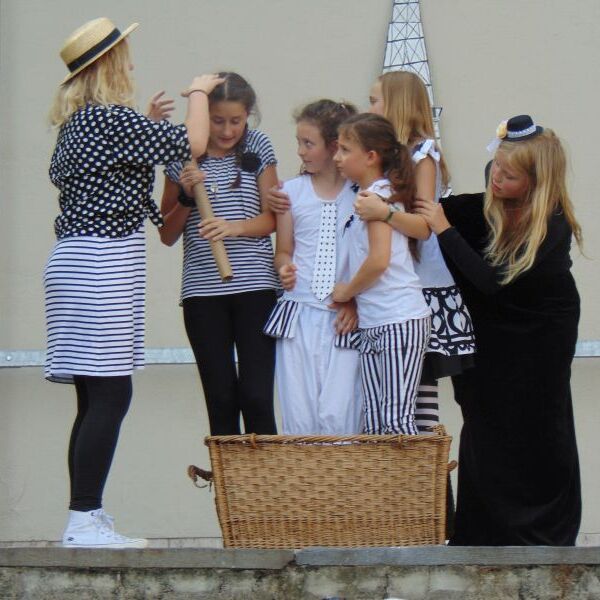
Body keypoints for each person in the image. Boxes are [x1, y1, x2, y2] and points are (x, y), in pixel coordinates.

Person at [45, 17, 223, 548]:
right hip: (100, 262)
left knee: (94, 395)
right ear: (109, 67)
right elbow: (194, 140)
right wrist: (199, 92)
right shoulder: (109, 120)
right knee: (110, 392)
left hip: (79, 260)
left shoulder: (80, 125)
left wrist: (146, 126)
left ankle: (86, 515)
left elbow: (123, 174)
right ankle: (83, 519)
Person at [414, 115, 583, 546]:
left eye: (509, 177)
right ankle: (481, 528)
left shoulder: (552, 223)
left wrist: (444, 229)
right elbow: (443, 209)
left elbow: (492, 281)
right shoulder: (493, 197)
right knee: (485, 419)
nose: (496, 179)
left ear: (535, 182)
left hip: (540, 331)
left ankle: (541, 529)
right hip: (491, 327)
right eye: (497, 168)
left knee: (535, 421)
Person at [160, 72, 279, 436]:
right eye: (217, 121)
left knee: (257, 397)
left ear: (248, 116)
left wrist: (233, 227)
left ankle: (266, 473)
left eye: (236, 121)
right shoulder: (181, 154)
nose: (228, 131)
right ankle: (229, 475)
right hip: (203, 293)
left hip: (256, 288)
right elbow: (167, 233)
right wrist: (185, 196)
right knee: (221, 399)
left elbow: (273, 219)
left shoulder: (258, 146)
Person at [357, 70, 476, 434]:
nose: (369, 107)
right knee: (389, 394)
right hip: (391, 288)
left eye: (374, 100)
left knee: (418, 391)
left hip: (421, 286)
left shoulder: (423, 154)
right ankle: (405, 466)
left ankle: (425, 468)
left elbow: (424, 225)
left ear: (397, 103)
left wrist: (384, 213)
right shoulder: (385, 158)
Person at [262, 99, 363, 434]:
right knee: (300, 413)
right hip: (300, 314)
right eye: (299, 143)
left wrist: (354, 300)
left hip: (343, 317)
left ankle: (343, 470)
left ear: (334, 146)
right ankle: (303, 470)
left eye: (308, 143)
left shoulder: (361, 195)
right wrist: (284, 267)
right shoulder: (290, 192)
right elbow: (284, 251)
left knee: (340, 411)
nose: (301, 151)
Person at [331, 113, 431, 435]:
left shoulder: (377, 196)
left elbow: (378, 261)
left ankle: (410, 472)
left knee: (396, 421)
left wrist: (346, 292)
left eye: (345, 150)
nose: (337, 157)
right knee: (375, 424)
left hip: (398, 318)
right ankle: (384, 472)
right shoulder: (365, 196)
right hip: (375, 320)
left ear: (371, 156)